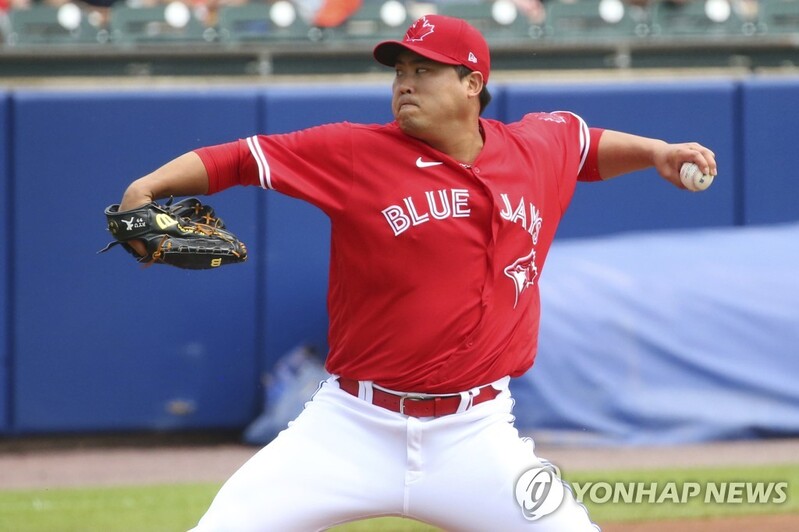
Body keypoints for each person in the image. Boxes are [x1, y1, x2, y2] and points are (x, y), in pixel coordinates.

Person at [115, 14, 717, 531]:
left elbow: (586, 144)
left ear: (472, 83)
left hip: (476, 435)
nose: (405, 84)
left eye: (423, 71)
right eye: (400, 72)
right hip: (351, 426)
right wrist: (148, 186)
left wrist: (659, 152)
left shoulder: (537, 147)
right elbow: (240, 158)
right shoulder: (354, 152)